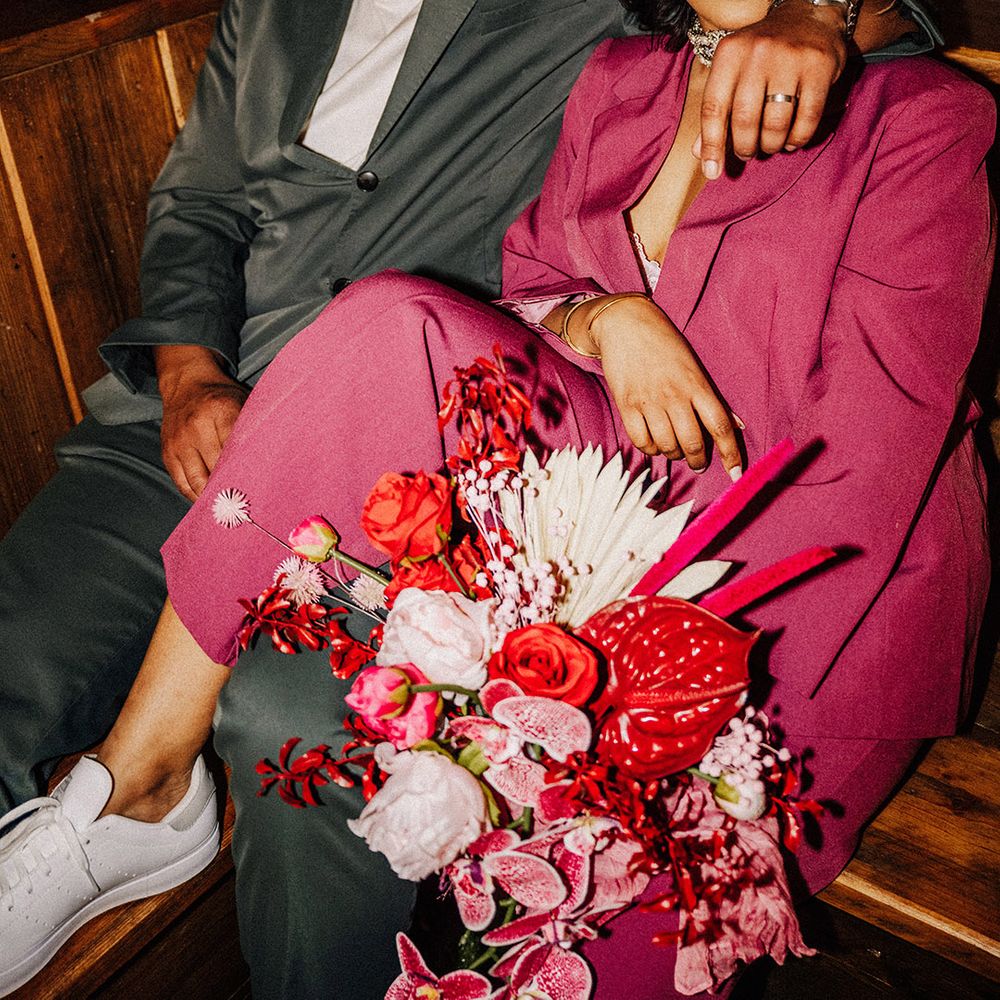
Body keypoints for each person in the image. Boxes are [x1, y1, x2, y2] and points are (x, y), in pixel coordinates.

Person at [1, 1, 991, 999]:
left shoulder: (923, 119)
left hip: (794, 618)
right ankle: (137, 780)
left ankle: (141, 791)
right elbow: (530, 286)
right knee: (387, 321)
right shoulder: (622, 75)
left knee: (600, 948)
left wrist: (611, 666)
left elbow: (856, 487)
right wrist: (602, 317)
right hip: (586, 519)